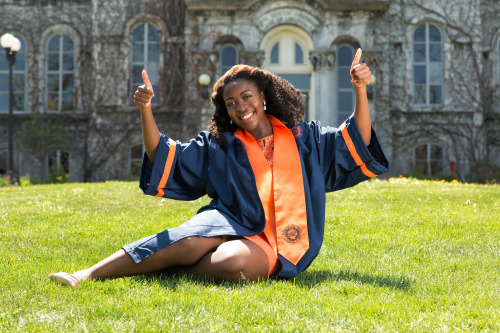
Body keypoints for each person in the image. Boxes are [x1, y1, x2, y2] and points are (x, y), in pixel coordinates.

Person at [49, 48, 389, 287]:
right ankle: (86, 275)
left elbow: (355, 141)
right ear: (225, 110)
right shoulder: (221, 145)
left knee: (232, 264)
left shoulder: (304, 138)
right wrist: (146, 109)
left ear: (263, 97)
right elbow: (167, 157)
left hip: (275, 240)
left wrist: (359, 89)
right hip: (229, 220)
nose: (241, 106)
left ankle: (166, 265)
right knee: (187, 242)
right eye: (231, 103)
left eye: (246, 97)